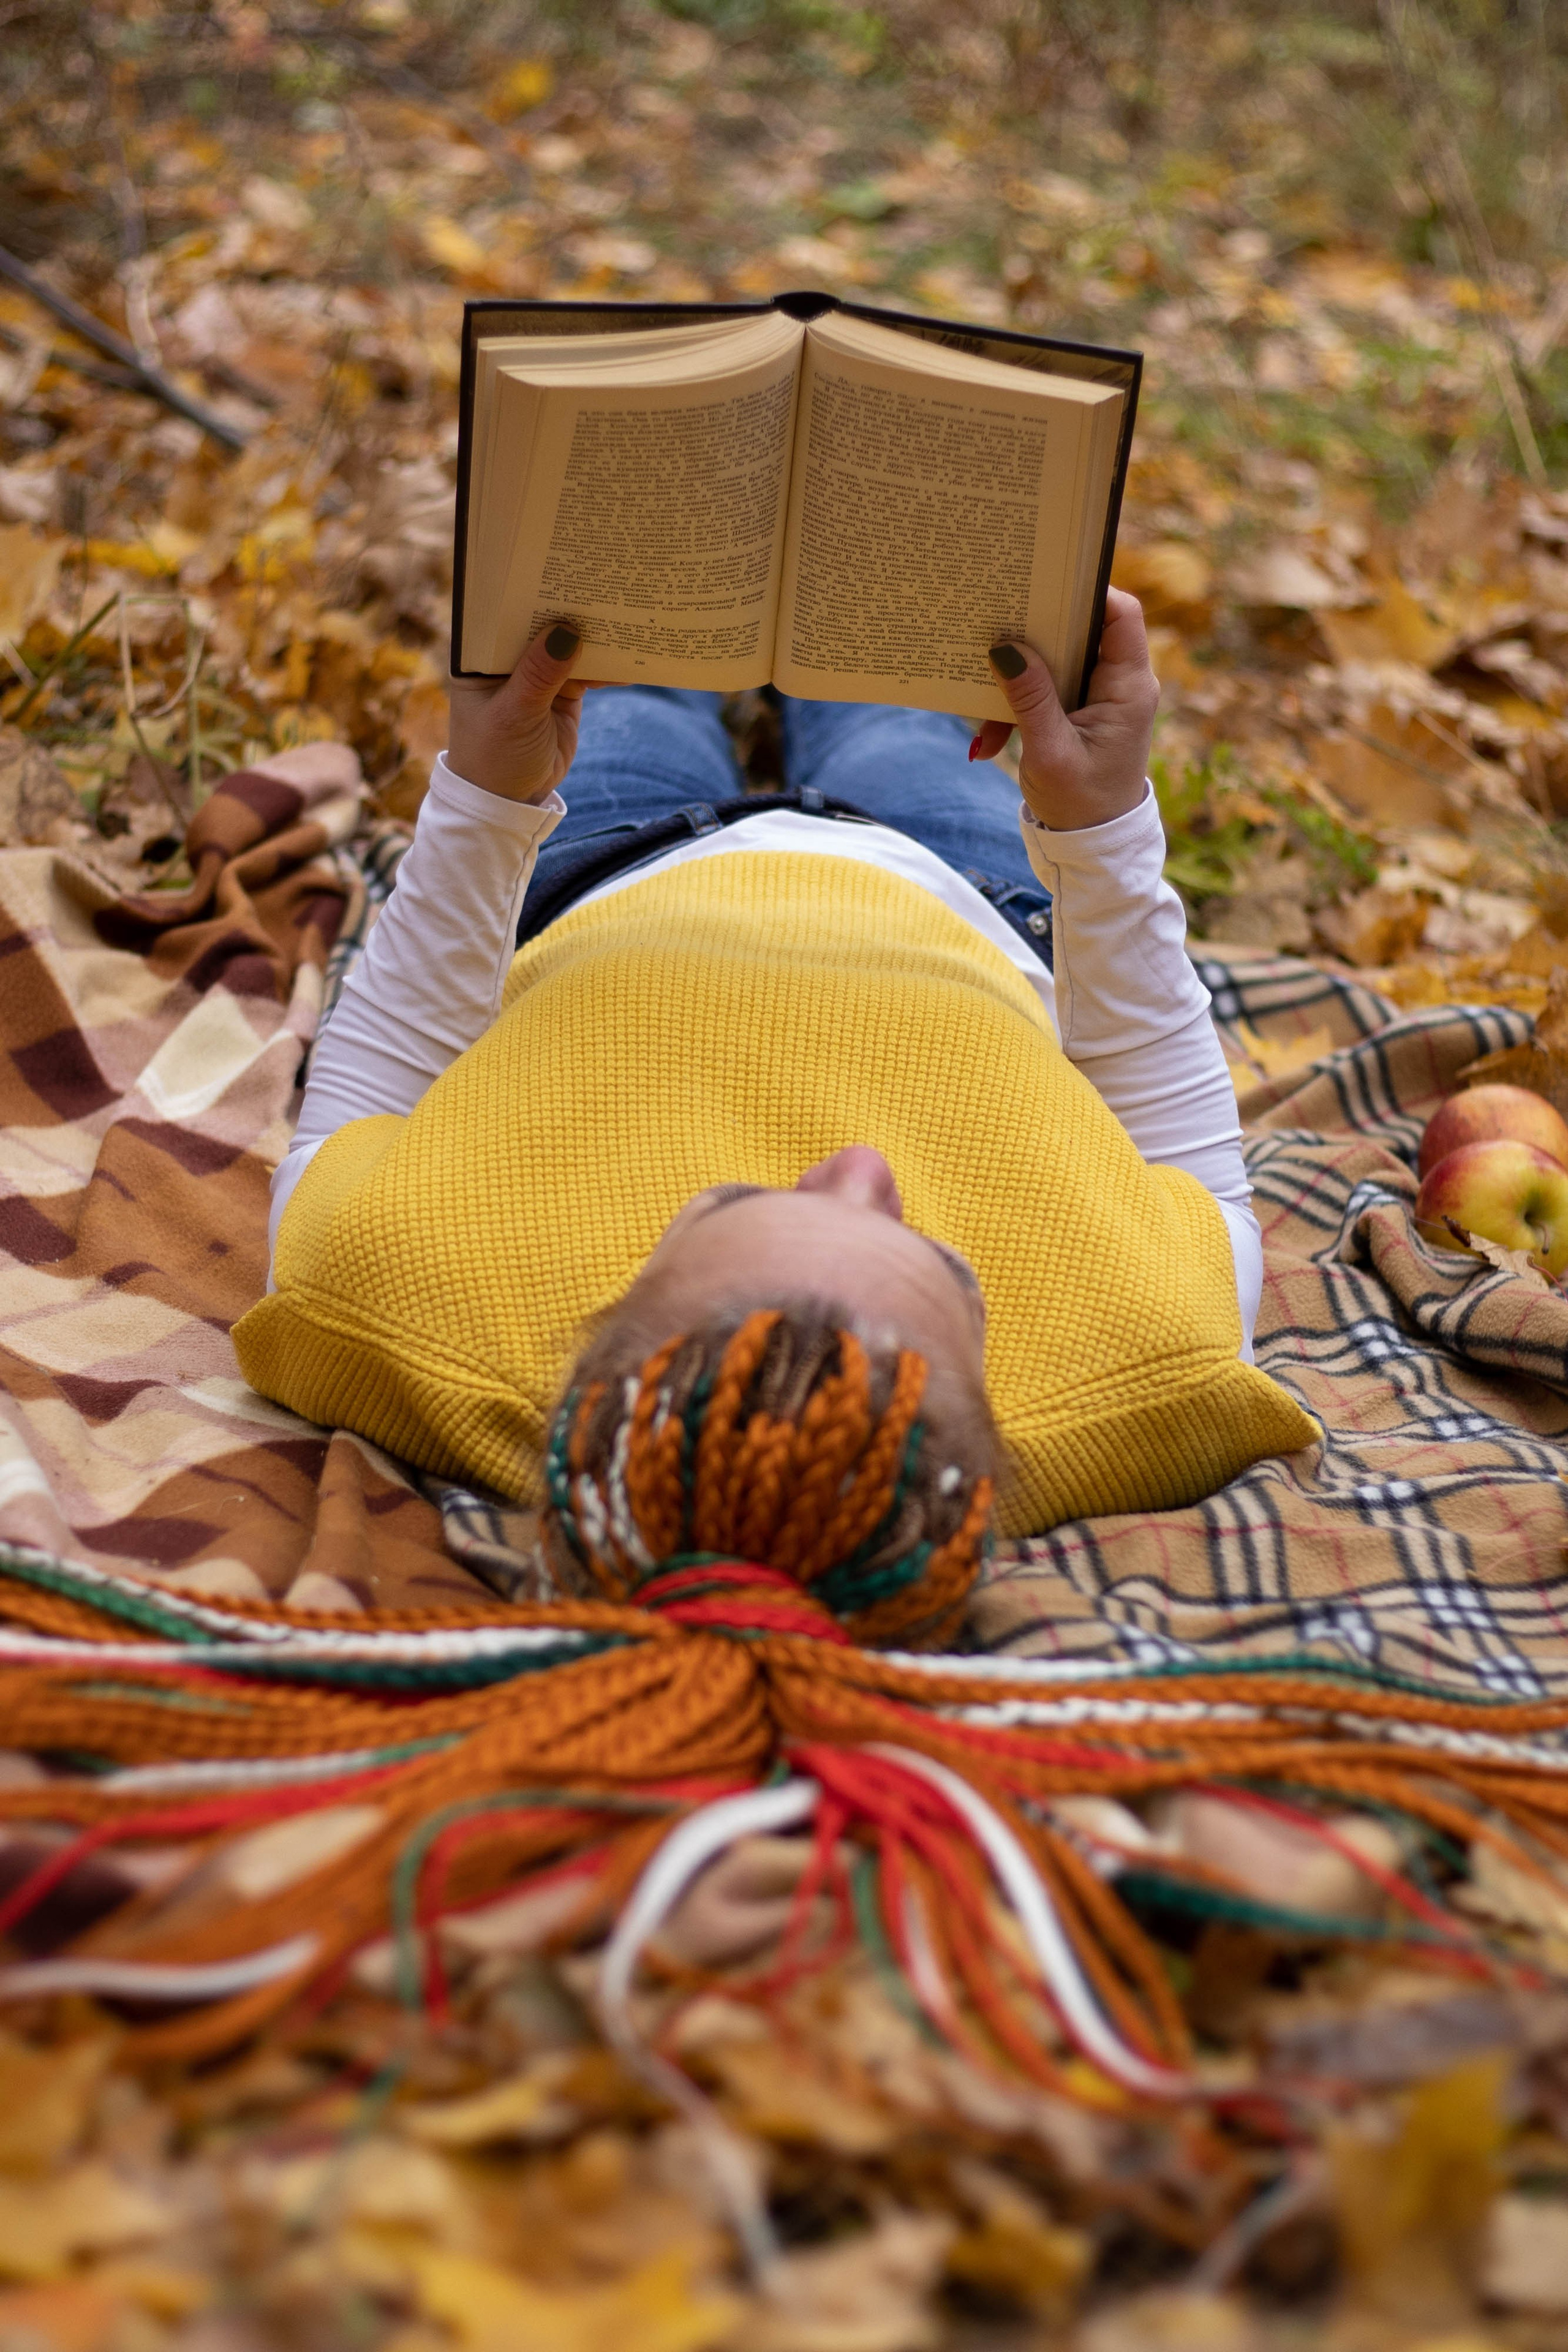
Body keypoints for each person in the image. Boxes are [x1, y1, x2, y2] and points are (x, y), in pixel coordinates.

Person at [234, 595, 1311, 1627]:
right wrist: (1101, 824)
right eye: (942, 1263)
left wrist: (487, 791)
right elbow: (1172, 1128)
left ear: (599, 1325)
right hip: (964, 883)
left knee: (631, 673)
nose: (854, 1164)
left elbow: (386, 1064)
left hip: (603, 856)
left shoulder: (390, 1293)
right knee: (898, 689)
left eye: (736, 1197)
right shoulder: (1152, 1356)